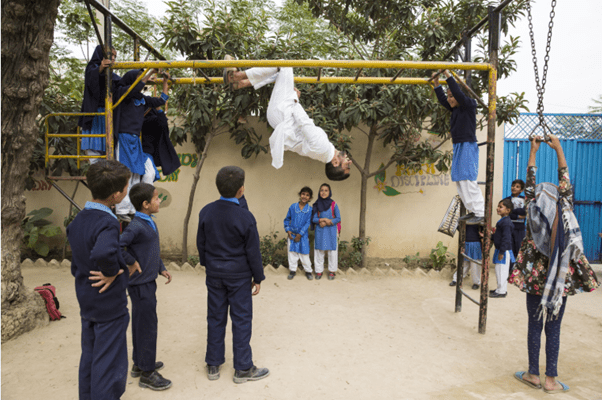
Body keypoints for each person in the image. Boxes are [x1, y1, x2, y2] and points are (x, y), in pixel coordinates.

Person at [511, 135, 598, 394]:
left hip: (534, 278)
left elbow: (529, 182)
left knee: (534, 324)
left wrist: (533, 152)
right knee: (554, 327)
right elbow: (565, 179)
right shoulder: (565, 209)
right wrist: (559, 148)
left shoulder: (531, 209)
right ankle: (551, 381)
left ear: (537, 200)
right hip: (558, 280)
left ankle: (533, 374)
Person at [66, 159, 139, 400]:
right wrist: (111, 272)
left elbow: (79, 258)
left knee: (90, 356)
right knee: (109, 363)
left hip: (87, 301)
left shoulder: (78, 220)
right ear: (116, 195)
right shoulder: (108, 222)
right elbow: (103, 252)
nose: (127, 190)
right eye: (127, 187)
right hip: (109, 305)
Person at [196, 166, 269, 383]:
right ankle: (243, 368)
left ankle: (213, 364)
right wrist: (258, 277)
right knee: (241, 319)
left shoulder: (206, 211)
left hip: (215, 274)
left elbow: (201, 243)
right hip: (239, 277)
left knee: (215, 317)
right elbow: (253, 251)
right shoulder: (246, 217)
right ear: (241, 190)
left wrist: (207, 264)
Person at [223, 59, 352, 180]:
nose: (349, 161)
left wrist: (295, 99)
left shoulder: (323, 147)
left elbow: (304, 122)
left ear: (335, 163)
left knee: (285, 65)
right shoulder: (323, 152)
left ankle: (236, 76)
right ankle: (241, 83)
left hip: (281, 115)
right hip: (281, 117)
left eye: (347, 165)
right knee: (280, 72)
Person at [119, 183, 173, 391]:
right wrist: (131, 262)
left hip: (148, 282)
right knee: (148, 326)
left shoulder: (148, 221)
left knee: (142, 324)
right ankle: (148, 373)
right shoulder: (136, 226)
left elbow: (150, 249)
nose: (159, 201)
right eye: (157, 198)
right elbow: (119, 245)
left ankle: (139, 363)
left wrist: (161, 268)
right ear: (145, 204)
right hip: (140, 285)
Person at [113, 69, 170, 220]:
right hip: (124, 136)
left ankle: (132, 207)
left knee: (136, 174)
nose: (144, 80)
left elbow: (162, 100)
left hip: (134, 139)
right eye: (140, 78)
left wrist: (165, 81)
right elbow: (136, 87)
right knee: (125, 173)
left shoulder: (143, 99)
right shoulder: (122, 93)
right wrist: (150, 69)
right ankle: (122, 208)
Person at [432, 70, 485, 225]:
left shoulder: (468, 105)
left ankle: (480, 211)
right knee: (460, 179)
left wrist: (448, 75)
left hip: (468, 145)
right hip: (459, 146)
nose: (449, 100)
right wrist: (436, 83)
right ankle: (472, 210)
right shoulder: (455, 109)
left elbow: (457, 93)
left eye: (451, 96)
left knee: (467, 178)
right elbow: (443, 100)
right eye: (449, 97)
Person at [78, 45, 121, 164]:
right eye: (110, 55)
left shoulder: (111, 74)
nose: (113, 58)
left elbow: (122, 82)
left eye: (114, 56)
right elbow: (91, 80)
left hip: (106, 114)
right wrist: (101, 67)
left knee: (108, 152)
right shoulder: (92, 68)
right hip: (95, 114)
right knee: (94, 151)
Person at [284, 186, 314, 280]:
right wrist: (288, 230)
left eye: (307, 195)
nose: (304, 196)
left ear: (310, 198)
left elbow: (308, 223)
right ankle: (293, 270)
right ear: (300, 195)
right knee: (292, 253)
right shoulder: (293, 207)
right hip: (292, 235)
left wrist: (300, 234)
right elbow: (287, 219)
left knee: (304, 253)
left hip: (303, 235)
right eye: (303, 194)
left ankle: (308, 271)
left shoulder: (309, 210)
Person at [312, 183, 341, 280]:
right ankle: (319, 271)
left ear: (329, 192)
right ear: (319, 192)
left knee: (332, 251)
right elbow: (314, 219)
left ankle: (332, 271)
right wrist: (322, 220)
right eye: (321, 190)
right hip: (320, 230)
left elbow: (338, 218)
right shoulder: (316, 204)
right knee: (319, 251)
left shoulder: (333, 204)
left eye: (326, 190)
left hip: (331, 230)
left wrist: (329, 221)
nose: (323, 192)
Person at [141, 107, 181, 177]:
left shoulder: (148, 120)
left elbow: (163, 123)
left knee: (149, 175)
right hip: (143, 152)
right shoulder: (148, 120)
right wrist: (158, 109)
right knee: (150, 175)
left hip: (146, 153)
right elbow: (163, 123)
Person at [489, 198, 515, 298]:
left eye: (501, 207)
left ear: (508, 210)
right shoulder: (503, 221)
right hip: (501, 250)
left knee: (501, 271)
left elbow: (506, 238)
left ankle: (501, 291)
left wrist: (502, 252)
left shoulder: (506, 223)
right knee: (498, 270)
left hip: (503, 251)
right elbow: (498, 235)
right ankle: (500, 288)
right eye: (498, 206)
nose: (497, 208)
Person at [449, 225, 482, 290]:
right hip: (466, 243)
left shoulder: (480, 219)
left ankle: (476, 282)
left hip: (476, 243)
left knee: (475, 265)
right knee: (464, 264)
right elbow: (459, 228)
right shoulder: (466, 218)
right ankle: (456, 279)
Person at [505, 179, 526, 267]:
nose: (514, 188)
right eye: (513, 186)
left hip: (520, 229)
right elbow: (507, 213)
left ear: (521, 190)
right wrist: (518, 216)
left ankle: (518, 269)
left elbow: (525, 212)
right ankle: (510, 269)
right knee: (510, 249)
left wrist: (513, 211)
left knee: (519, 249)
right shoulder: (506, 200)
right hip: (509, 228)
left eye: (517, 187)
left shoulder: (524, 200)